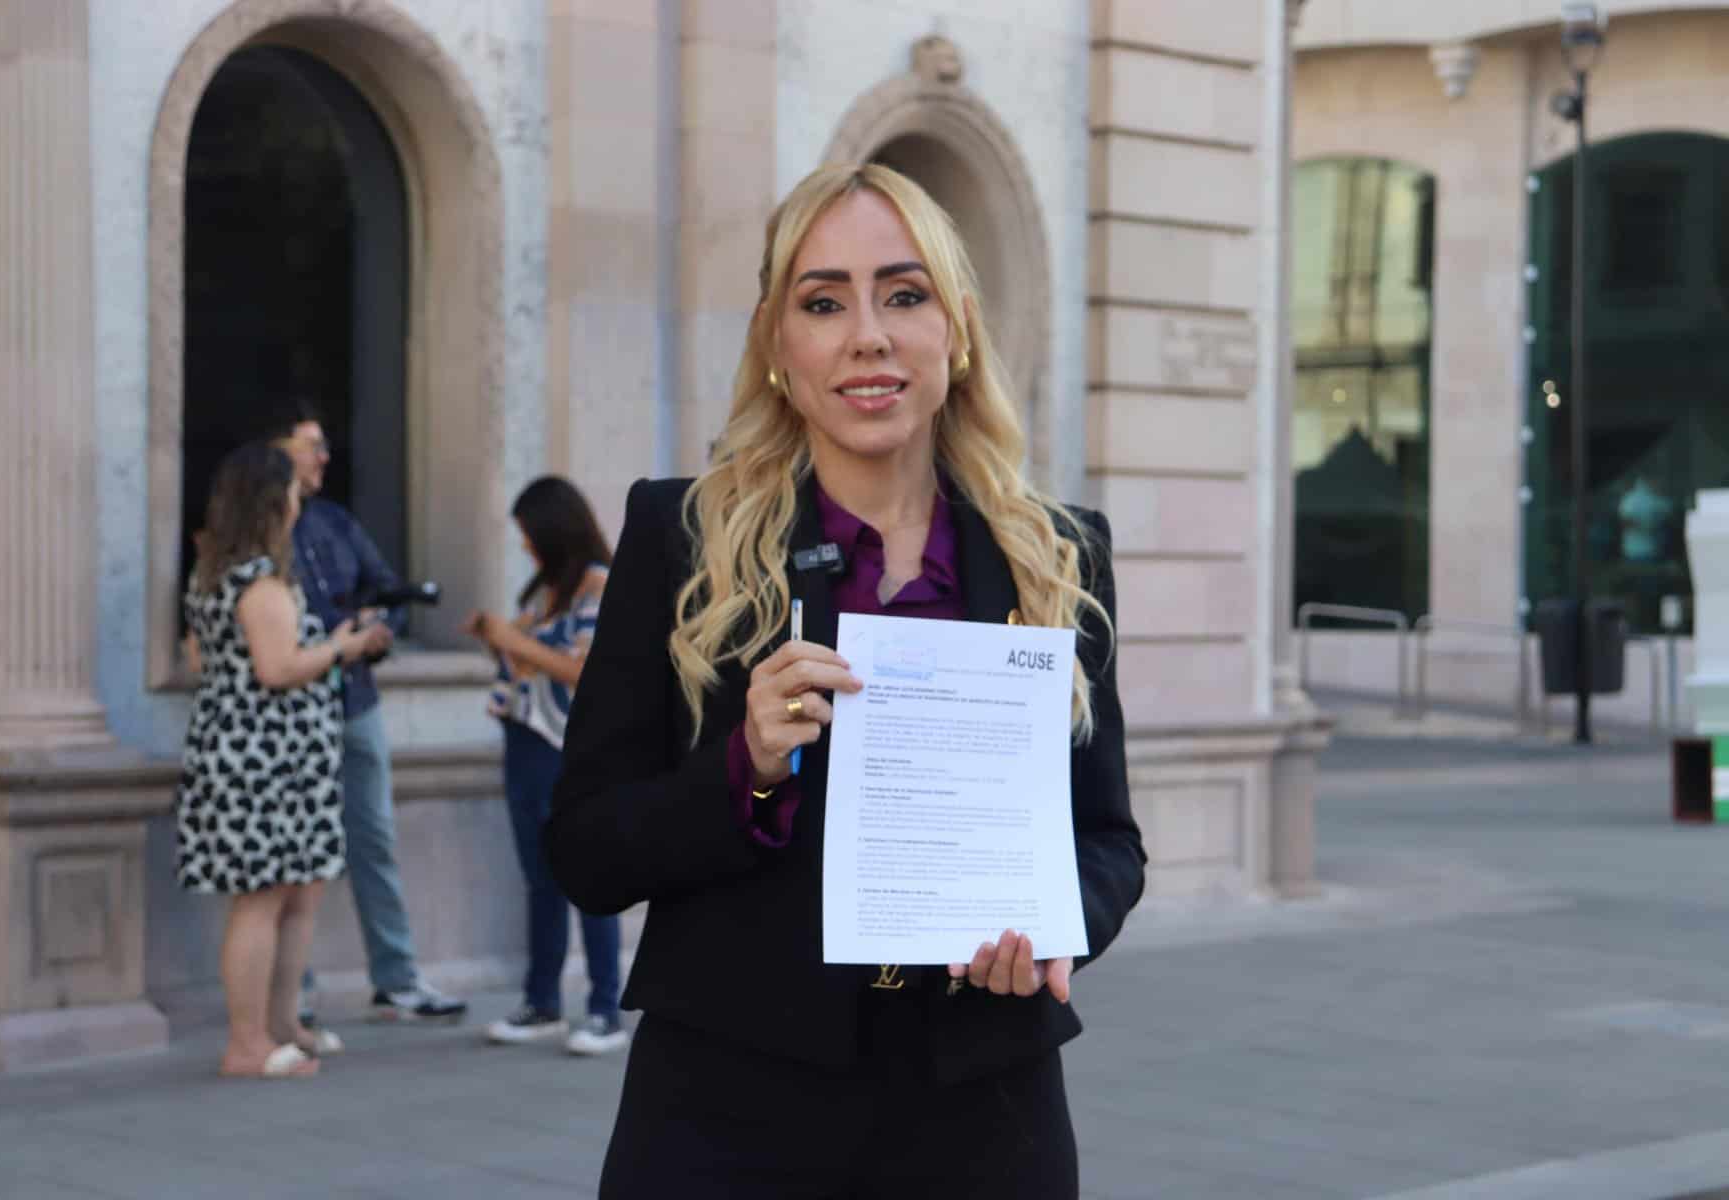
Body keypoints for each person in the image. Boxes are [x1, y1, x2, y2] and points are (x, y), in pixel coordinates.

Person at [545, 163, 1147, 1197]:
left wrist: (1056, 929)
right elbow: (585, 851)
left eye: (904, 295)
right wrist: (743, 766)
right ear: (778, 345)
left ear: (957, 330)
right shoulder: (680, 539)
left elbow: (1107, 839)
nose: (868, 335)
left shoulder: (1057, 555)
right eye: (824, 303)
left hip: (985, 1117)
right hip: (727, 1113)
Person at [177, 443, 391, 1079]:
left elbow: (200, 657)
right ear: (274, 502)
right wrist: (344, 648)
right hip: (265, 761)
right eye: (294, 490)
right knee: (263, 899)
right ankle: (247, 1044)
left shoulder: (216, 574)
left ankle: (281, 1026)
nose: (301, 500)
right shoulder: (259, 582)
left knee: (296, 894)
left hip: (273, 757)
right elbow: (277, 668)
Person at [265, 402, 467, 1024]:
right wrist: (340, 634)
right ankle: (291, 995)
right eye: (310, 445)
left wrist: (379, 627)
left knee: (374, 838)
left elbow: (388, 590)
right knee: (291, 850)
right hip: (289, 714)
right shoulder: (255, 531)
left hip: (355, 701)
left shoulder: (335, 522)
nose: (324, 457)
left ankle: (397, 980)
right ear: (277, 452)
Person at [460, 477, 625, 1055]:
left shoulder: (598, 586)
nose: (525, 545)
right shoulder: (546, 589)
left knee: (589, 875)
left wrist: (515, 640)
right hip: (523, 740)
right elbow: (525, 663)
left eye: (529, 533)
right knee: (540, 878)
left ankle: (605, 1010)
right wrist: (495, 638)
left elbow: (586, 671)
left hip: (569, 747)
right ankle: (543, 1003)